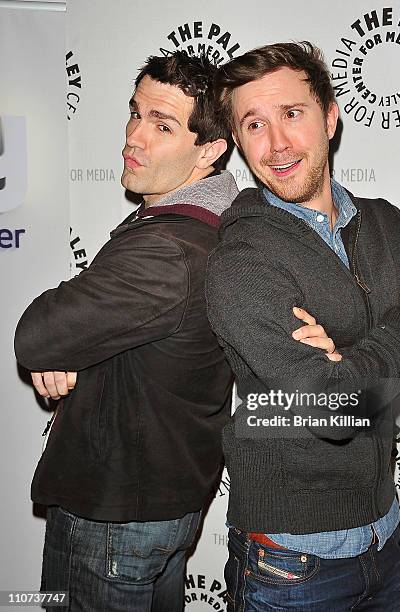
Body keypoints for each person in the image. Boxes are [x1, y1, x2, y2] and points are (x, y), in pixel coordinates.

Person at [206, 41, 400, 611]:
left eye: (292, 114)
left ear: (330, 117)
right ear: (237, 143)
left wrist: (352, 360)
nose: (277, 143)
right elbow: (333, 411)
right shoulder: (241, 260)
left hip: (385, 531)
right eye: (254, 124)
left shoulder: (384, 223)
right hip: (291, 558)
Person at [14, 51, 238, 612]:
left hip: (117, 515)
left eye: (162, 126)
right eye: (135, 113)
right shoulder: (191, 229)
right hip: (153, 503)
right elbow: (93, 332)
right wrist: (72, 343)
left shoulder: (167, 249)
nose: (134, 137)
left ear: (208, 151)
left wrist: (61, 342)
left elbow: (37, 331)